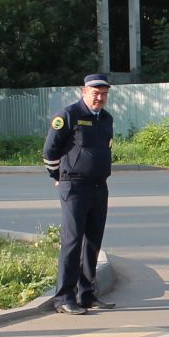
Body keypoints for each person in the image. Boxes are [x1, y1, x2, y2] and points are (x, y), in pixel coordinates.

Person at [42, 73, 115, 315]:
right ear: (84, 92)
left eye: (104, 93)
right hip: (74, 186)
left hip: (98, 187)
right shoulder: (69, 115)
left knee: (93, 242)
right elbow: (50, 150)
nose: (100, 97)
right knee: (72, 242)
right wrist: (57, 178)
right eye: (95, 93)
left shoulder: (106, 118)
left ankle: (87, 294)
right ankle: (64, 297)